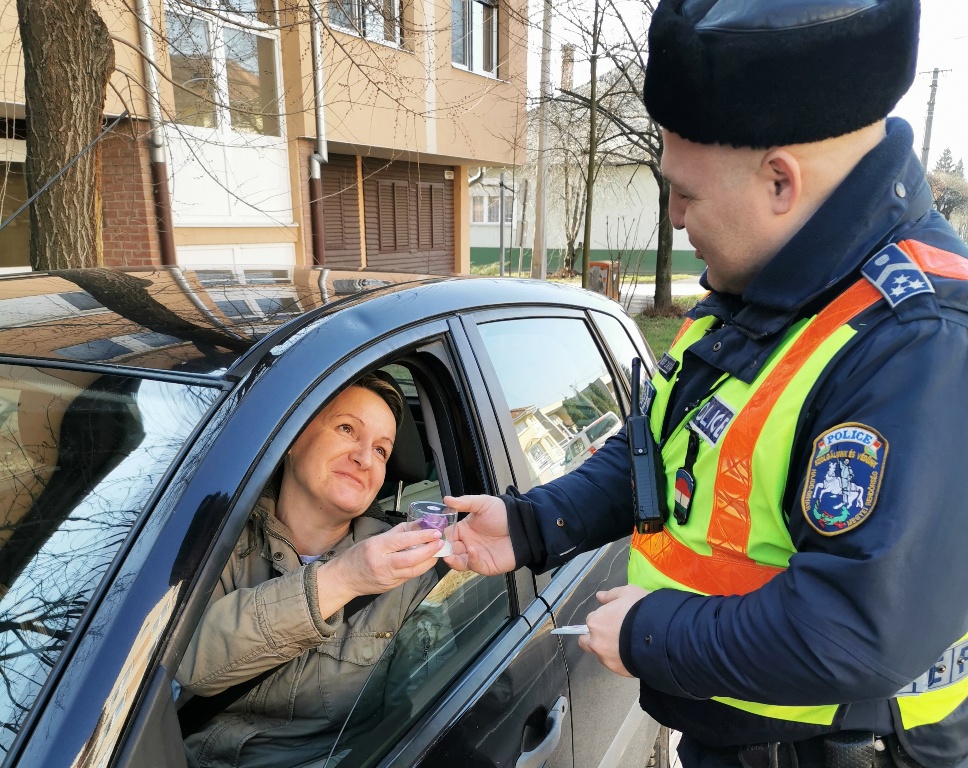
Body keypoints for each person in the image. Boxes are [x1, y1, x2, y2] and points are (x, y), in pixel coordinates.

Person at [442, 1, 968, 766]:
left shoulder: (920, 342)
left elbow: (856, 627)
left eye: (683, 194)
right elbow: (662, 450)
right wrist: (530, 525)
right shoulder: (766, 290)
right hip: (744, 737)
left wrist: (650, 634)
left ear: (780, 182)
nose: (677, 218)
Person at [176, 373, 450, 768]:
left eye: (381, 450)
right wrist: (344, 577)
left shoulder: (409, 568)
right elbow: (190, 666)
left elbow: (418, 720)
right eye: (346, 429)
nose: (364, 458)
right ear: (292, 439)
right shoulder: (217, 538)